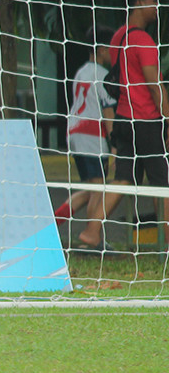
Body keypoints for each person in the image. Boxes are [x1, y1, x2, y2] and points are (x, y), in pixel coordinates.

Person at [78, 0, 168, 250]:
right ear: (139, 3)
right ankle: (167, 242)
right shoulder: (144, 40)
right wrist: (167, 117)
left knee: (123, 179)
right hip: (147, 120)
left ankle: (92, 231)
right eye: (153, 0)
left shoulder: (118, 37)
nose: (157, 6)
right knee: (163, 184)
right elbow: (154, 85)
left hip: (124, 118)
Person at [53, 26, 117, 236]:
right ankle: (92, 236)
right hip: (92, 136)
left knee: (92, 188)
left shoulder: (81, 72)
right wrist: (114, 146)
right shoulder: (103, 75)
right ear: (100, 50)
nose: (113, 51)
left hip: (74, 133)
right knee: (99, 189)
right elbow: (108, 112)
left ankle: (54, 221)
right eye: (110, 47)